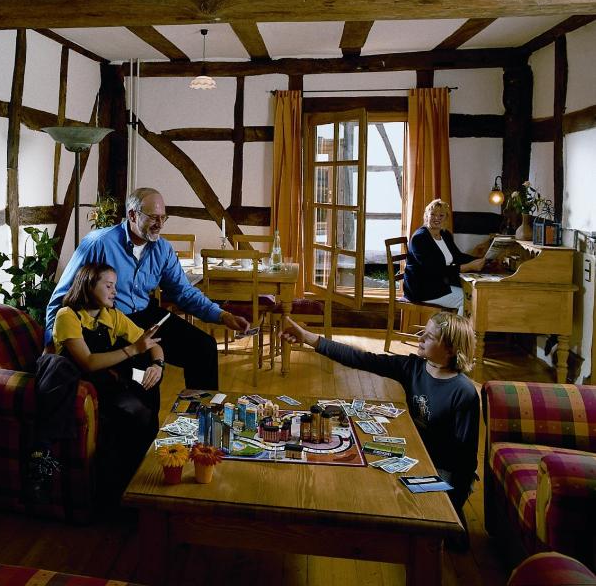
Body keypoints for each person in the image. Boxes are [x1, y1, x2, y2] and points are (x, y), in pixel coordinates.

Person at [280, 312, 479, 543]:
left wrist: (451, 508)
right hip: (416, 456)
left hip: (444, 470)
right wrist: (307, 337)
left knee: (444, 537)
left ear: (452, 348)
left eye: (430, 336)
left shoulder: (464, 393)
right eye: (423, 331)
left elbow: (466, 462)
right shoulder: (413, 367)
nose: (421, 337)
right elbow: (360, 358)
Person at [46, 187, 250, 390]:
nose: (160, 224)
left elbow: (184, 293)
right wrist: (50, 343)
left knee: (203, 347)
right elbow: (63, 294)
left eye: (163, 217)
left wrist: (223, 316)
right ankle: (143, 416)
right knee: (143, 372)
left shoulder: (163, 249)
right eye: (153, 217)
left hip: (147, 315)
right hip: (111, 322)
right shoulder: (98, 243)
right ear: (132, 215)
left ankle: (201, 416)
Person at [51, 262, 165, 504]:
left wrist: (157, 366)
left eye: (115, 286)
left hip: (109, 379)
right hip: (83, 386)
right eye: (109, 285)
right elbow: (88, 362)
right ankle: (120, 491)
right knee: (136, 413)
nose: (115, 291)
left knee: (149, 386)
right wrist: (133, 349)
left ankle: (146, 481)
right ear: (88, 285)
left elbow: (154, 345)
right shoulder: (67, 316)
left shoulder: (111, 315)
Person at [403, 199, 486, 315]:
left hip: (439, 284)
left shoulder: (445, 234)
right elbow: (433, 269)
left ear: (446, 218)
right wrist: (466, 267)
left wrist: (481, 259)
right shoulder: (420, 238)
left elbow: (457, 256)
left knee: (474, 294)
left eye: (441, 215)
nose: (437, 218)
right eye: (433, 214)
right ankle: (457, 333)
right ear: (426, 216)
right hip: (422, 288)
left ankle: (456, 330)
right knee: (469, 299)